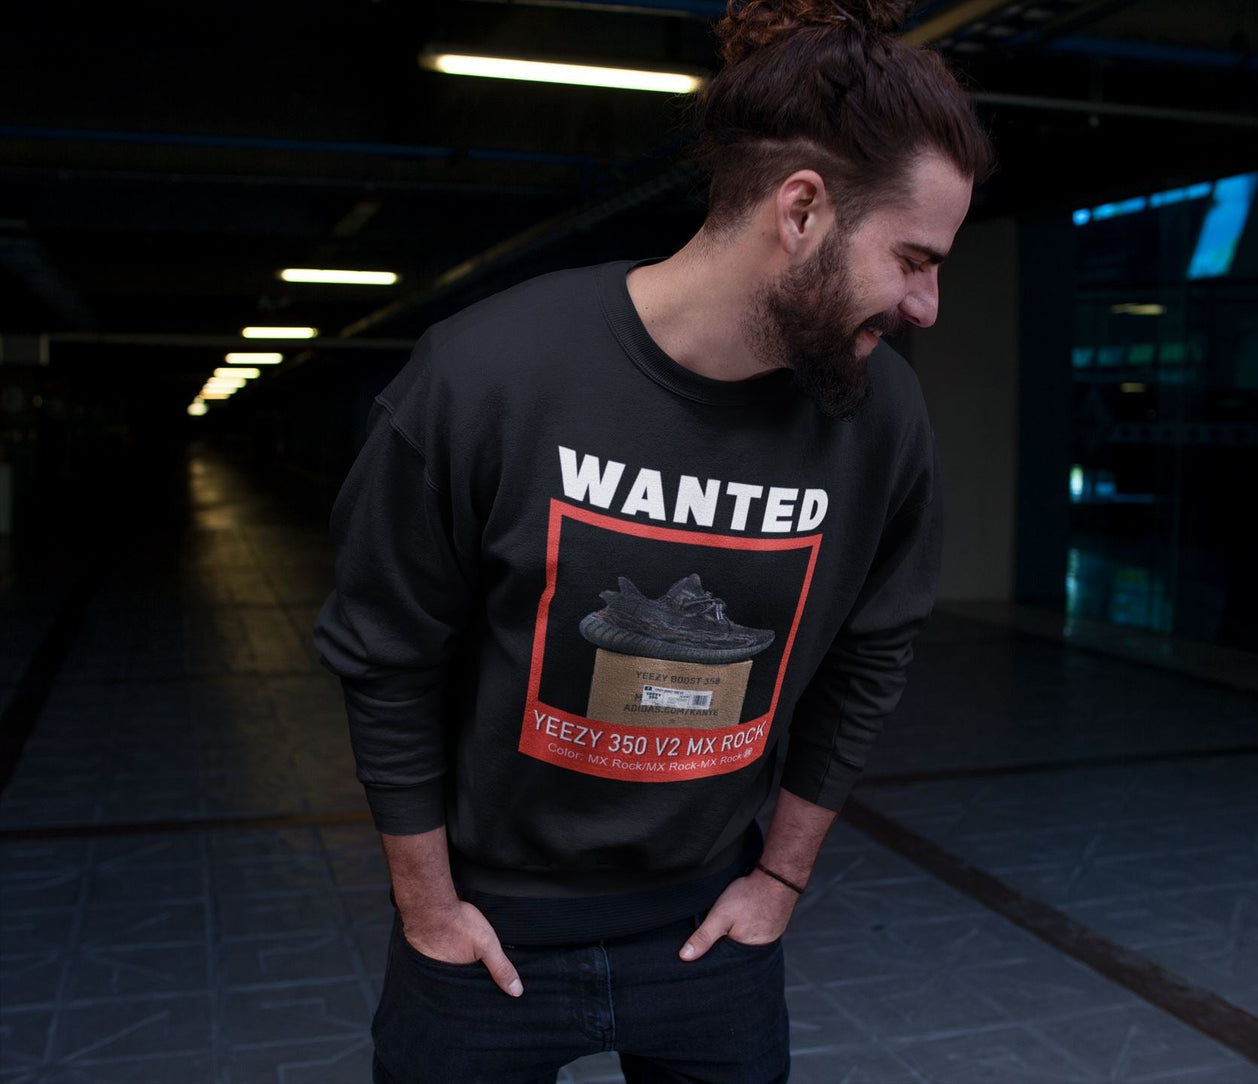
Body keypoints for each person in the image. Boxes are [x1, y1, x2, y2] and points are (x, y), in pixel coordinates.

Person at [314, 1, 992, 1080]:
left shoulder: (880, 420)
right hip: (483, 938)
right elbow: (386, 655)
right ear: (802, 209)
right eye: (913, 257)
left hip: (709, 934)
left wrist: (779, 881)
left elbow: (868, 659)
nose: (927, 305)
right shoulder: (488, 376)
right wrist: (428, 906)